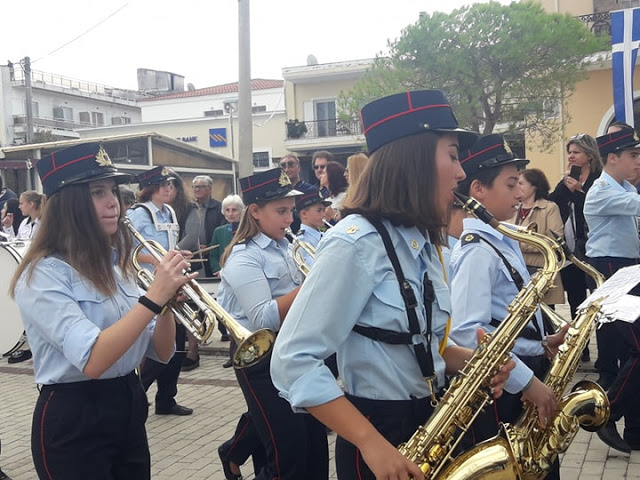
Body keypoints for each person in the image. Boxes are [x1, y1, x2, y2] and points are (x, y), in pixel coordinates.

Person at [271, 90, 513, 479]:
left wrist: (472, 362)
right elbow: (292, 361)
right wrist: (369, 441)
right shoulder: (355, 242)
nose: (462, 172)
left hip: (428, 418)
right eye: (452, 155)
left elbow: (417, 341)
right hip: (377, 433)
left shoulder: (425, 239)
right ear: (413, 160)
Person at [10, 142, 193, 479]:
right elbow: (94, 361)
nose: (114, 203)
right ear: (68, 205)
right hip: (75, 414)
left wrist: (167, 306)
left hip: (127, 402)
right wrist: (153, 298)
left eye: (112, 190)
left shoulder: (117, 266)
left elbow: (162, 352)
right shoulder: (43, 275)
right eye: (97, 192)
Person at [449, 134, 568, 480]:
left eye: (520, 184)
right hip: (505, 387)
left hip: (521, 367)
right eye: (511, 184)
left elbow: (506, 316)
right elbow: (467, 332)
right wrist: (526, 381)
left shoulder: (503, 238)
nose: (520, 194)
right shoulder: (477, 251)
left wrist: (542, 343)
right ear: (478, 190)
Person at [217, 167, 328, 479]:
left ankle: (236, 448)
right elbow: (263, 317)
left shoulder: (286, 246)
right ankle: (234, 450)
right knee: (287, 455)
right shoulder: (244, 258)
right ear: (255, 211)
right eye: (281, 211)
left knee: (314, 446)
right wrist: (313, 283)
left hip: (295, 350)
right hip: (260, 356)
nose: (289, 219)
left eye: (291, 211)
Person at [583, 128, 640, 452]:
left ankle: (634, 428)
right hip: (611, 270)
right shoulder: (602, 190)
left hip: (626, 267)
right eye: (632, 155)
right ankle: (608, 411)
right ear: (612, 158)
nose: (638, 162)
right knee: (636, 347)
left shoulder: (622, 187)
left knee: (633, 351)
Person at [127, 165, 194, 416]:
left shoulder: (170, 214)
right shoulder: (137, 215)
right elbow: (122, 252)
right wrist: (156, 261)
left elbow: (166, 248)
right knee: (158, 343)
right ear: (150, 188)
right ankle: (137, 392)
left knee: (176, 343)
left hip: (169, 281)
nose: (170, 188)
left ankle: (166, 398)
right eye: (164, 184)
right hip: (145, 285)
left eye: (173, 184)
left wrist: (175, 256)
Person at [548, 133, 602, 363]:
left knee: (599, 303)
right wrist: (566, 191)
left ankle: (606, 351)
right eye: (569, 152)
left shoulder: (599, 179)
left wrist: (579, 193)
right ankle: (581, 348)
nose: (570, 156)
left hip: (595, 246)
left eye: (575, 152)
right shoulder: (568, 178)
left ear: (589, 156)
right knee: (576, 302)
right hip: (572, 250)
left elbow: (595, 209)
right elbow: (553, 203)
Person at [510, 168, 565, 307]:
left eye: (521, 183)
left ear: (534, 186)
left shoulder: (550, 208)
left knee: (545, 317)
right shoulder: (512, 208)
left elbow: (554, 240)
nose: (517, 187)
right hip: (516, 272)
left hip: (541, 272)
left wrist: (519, 243)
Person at [191, 175, 224, 277]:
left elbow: (222, 233)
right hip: (193, 256)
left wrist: (208, 247)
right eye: (194, 187)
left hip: (213, 256)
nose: (197, 189)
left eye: (200, 187)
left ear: (209, 189)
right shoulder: (190, 208)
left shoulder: (219, 208)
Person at [209, 194, 245, 277]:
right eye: (227, 210)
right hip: (223, 274)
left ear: (241, 211)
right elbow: (213, 255)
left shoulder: (246, 230)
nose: (230, 214)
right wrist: (217, 270)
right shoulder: (218, 231)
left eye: (234, 210)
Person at [280, 153, 311, 233]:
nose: (287, 169)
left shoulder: (310, 190)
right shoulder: (279, 193)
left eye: (291, 165)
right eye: (283, 166)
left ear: (299, 168)